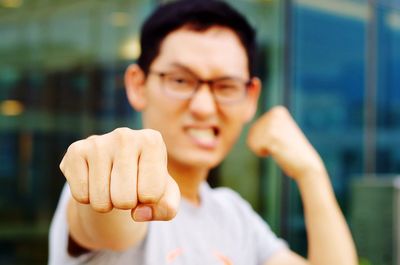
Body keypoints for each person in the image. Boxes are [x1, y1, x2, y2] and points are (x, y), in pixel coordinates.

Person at [49, 0, 358, 264]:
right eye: (181, 80)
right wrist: (108, 168)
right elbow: (105, 219)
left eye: (226, 86)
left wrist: (311, 173)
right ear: (138, 85)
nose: (204, 107)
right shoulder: (109, 188)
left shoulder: (233, 215)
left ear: (250, 98)